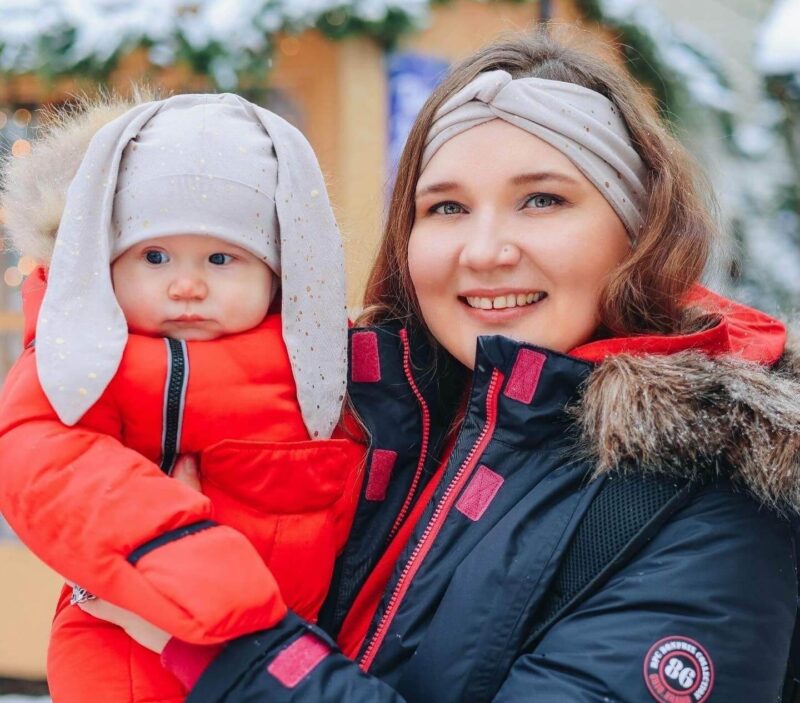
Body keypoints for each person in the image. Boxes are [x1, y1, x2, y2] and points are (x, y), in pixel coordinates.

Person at [18, 30, 800, 702]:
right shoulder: (368, 411)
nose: (485, 251)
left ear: (637, 231)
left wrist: (211, 646)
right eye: (446, 207)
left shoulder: (713, 501)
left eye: (543, 201)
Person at [0, 93, 364, 703]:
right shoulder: (90, 359)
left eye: (222, 258)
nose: (187, 285)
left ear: (278, 274)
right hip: (129, 650)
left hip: (285, 655)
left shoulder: (317, 356)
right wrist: (179, 554)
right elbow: (42, 458)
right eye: (155, 256)